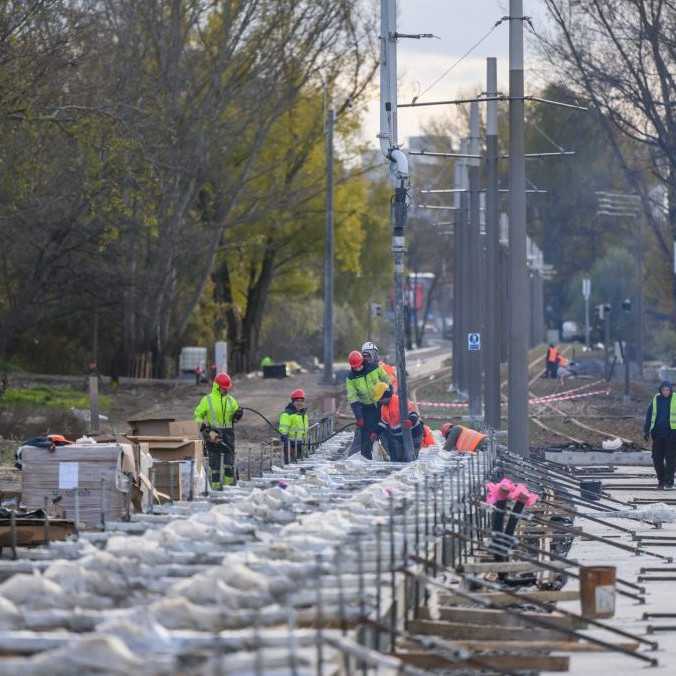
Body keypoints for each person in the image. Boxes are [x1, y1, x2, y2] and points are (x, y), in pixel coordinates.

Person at [194, 372, 243, 489]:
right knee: (214, 463)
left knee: (229, 463)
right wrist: (204, 428)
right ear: (217, 386)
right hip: (213, 434)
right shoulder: (207, 400)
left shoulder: (231, 400)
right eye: (224, 388)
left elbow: (235, 417)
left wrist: (238, 415)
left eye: (227, 388)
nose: (226, 391)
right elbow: (198, 415)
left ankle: (229, 487)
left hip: (228, 434)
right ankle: (214, 488)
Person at [346, 350, 391, 458]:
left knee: (385, 429)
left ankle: (390, 455)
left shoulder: (374, 367)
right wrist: (359, 417)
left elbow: (386, 379)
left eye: (359, 366)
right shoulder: (351, 377)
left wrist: (389, 393)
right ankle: (365, 456)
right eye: (355, 367)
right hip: (367, 407)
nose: (357, 368)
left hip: (381, 403)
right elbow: (353, 398)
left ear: (362, 362)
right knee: (367, 434)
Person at [374, 382, 422, 461]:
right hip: (399, 437)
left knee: (410, 459)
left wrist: (410, 421)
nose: (380, 401)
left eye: (380, 399)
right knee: (400, 460)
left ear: (386, 395)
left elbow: (413, 413)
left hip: (413, 434)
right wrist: (376, 432)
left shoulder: (400, 401)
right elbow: (384, 422)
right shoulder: (384, 407)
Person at [643, 381, 676, 490]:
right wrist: (646, 430)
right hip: (657, 434)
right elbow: (649, 415)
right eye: (664, 390)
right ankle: (661, 481)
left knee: (671, 459)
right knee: (657, 458)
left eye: (667, 390)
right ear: (660, 390)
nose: (666, 392)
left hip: (672, 434)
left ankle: (669, 481)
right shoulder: (656, 400)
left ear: (671, 390)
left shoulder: (675, 399)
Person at [279, 389, 309, 464]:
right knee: (291, 465)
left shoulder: (303, 414)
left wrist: (306, 441)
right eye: (297, 401)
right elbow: (283, 429)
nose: (300, 403)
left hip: (301, 444)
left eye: (301, 401)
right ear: (293, 402)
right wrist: (286, 440)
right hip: (291, 445)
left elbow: (304, 430)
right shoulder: (287, 414)